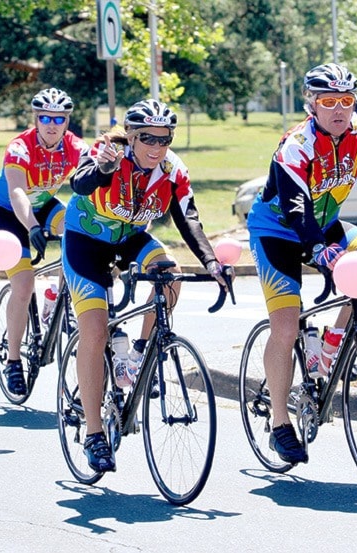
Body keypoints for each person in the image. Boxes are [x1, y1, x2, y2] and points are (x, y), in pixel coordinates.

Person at [247, 64, 357, 465]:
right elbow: (296, 207)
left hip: (325, 223)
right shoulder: (296, 145)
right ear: (311, 103)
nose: (339, 109)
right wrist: (320, 251)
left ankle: (332, 344)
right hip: (278, 231)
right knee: (286, 325)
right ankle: (280, 423)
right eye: (328, 101)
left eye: (346, 101)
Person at [62, 99, 229, 472]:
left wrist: (212, 262)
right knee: (95, 331)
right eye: (148, 139)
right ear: (132, 136)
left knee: (169, 274)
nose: (156, 147)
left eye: (165, 139)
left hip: (131, 239)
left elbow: (189, 219)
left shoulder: (171, 169)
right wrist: (103, 169)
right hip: (86, 241)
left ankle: (137, 357)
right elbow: (81, 182)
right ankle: (94, 435)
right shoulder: (108, 152)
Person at [0, 88, 88, 395]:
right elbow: (18, 192)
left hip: (44, 203)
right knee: (23, 284)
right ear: (36, 119)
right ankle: (14, 360)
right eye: (45, 117)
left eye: (59, 118)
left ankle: (59, 294)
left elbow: (93, 174)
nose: (52, 124)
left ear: (67, 120)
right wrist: (31, 227)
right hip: (9, 211)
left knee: (78, 230)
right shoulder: (20, 147)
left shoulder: (74, 146)